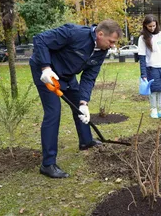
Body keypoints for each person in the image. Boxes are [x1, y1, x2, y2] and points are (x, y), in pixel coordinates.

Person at [30, 19, 122, 178]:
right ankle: (48, 164)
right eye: (111, 41)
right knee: (53, 112)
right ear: (100, 34)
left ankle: (86, 141)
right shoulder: (74, 33)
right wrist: (45, 67)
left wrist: (84, 102)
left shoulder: (101, 51)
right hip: (47, 73)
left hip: (67, 75)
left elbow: (89, 77)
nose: (113, 45)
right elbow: (40, 39)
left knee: (78, 105)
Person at [138, 15, 161, 119]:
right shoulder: (142, 38)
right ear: (145, 26)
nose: (152, 28)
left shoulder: (160, 34)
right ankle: (153, 109)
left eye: (154, 25)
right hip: (150, 67)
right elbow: (142, 57)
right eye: (149, 26)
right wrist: (143, 73)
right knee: (153, 90)